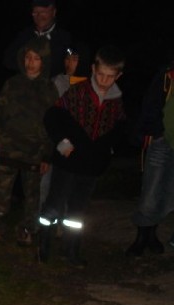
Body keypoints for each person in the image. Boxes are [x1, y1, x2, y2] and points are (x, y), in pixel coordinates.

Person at [38, 45, 127, 268]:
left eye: (110, 76)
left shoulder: (116, 101)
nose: (104, 80)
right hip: (68, 162)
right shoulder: (77, 92)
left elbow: (119, 129)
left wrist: (108, 151)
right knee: (54, 204)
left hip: (91, 167)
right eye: (101, 74)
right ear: (93, 69)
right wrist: (62, 142)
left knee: (77, 212)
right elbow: (52, 117)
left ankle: (71, 250)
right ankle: (43, 245)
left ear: (118, 76)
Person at [0, 37, 58, 246]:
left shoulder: (49, 89)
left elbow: (52, 125)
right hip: (7, 148)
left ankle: (27, 229)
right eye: (28, 57)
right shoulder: (12, 84)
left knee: (32, 196)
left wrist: (47, 155)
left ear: (44, 61)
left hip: (34, 152)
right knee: (1, 193)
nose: (31, 63)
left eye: (36, 58)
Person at [125, 61, 174, 257]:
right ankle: (142, 237)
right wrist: (153, 132)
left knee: (168, 192)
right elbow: (150, 105)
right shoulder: (167, 74)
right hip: (161, 141)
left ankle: (153, 235)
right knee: (151, 190)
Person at [40, 43, 90, 207]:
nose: (69, 63)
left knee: (68, 187)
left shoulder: (90, 85)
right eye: (67, 59)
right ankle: (41, 219)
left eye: (74, 59)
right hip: (55, 142)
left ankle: (63, 220)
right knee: (45, 184)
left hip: (77, 145)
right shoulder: (56, 82)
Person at [3, 0, 72, 78]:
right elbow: (8, 59)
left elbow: (71, 61)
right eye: (35, 12)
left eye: (43, 12)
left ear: (54, 12)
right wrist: (29, 67)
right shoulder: (25, 35)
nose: (39, 16)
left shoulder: (65, 37)